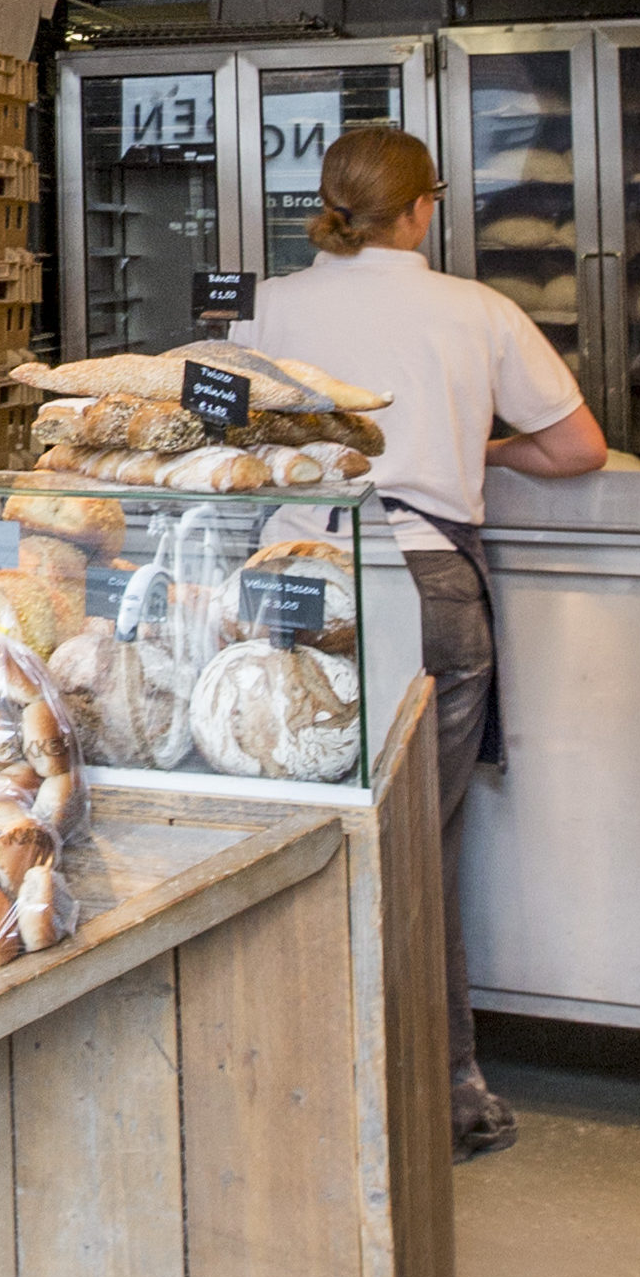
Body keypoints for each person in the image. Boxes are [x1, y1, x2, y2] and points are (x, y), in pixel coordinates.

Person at [235, 122, 606, 1162]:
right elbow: (579, 448)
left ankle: (288, 1087)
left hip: (288, 577)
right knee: (412, 846)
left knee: (288, 834)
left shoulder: (266, 307)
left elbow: (224, 439)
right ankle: (442, 1097)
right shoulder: (478, 311)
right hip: (424, 577)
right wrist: (485, 447)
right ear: (421, 210)